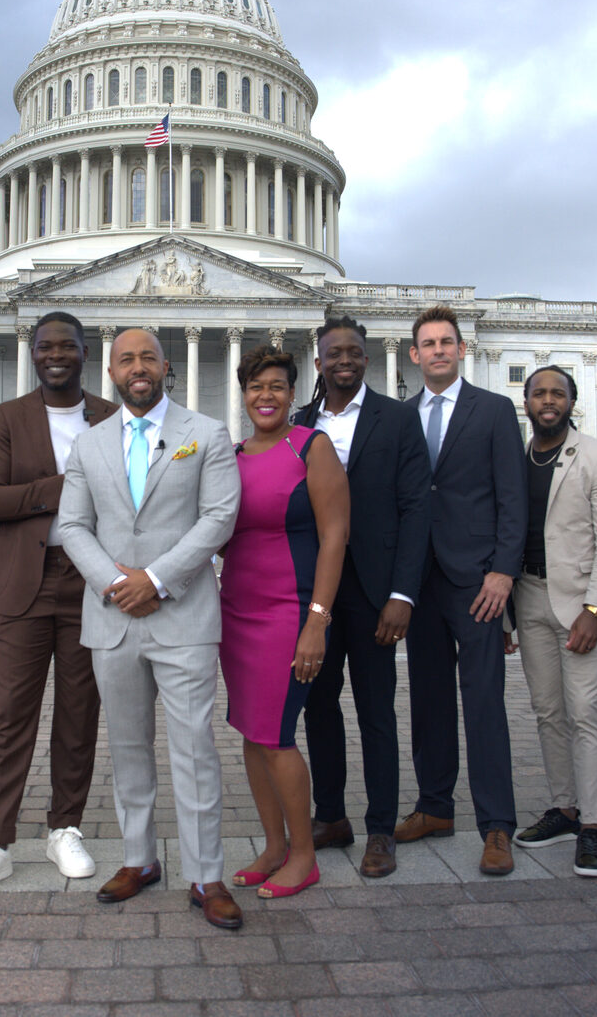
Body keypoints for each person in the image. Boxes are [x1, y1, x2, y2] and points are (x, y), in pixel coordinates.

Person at [57, 328, 244, 930]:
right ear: (109, 372)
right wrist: (116, 584)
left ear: (167, 366)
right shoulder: (89, 445)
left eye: (147, 357)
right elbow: (73, 526)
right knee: (128, 747)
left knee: (194, 751)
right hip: (113, 617)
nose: (137, 368)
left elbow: (219, 517)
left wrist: (157, 580)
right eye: (125, 359)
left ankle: (205, 873)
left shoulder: (206, 434)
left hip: (183, 615)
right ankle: (139, 860)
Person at [0, 312, 117, 897]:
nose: (54, 355)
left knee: (78, 717)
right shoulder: (6, 419)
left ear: (84, 352)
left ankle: (64, 826)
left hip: (92, 585)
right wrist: (70, 483)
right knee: (10, 717)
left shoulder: (110, 415)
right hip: (24, 583)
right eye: (44, 346)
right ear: (32, 354)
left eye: (66, 346)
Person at [293, 316, 430, 879]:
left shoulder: (397, 418)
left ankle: (380, 829)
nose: (343, 360)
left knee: (376, 713)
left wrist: (402, 593)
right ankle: (330, 816)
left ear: (367, 359)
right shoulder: (300, 422)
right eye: (333, 353)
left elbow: (417, 507)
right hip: (315, 595)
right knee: (319, 710)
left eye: (353, 352)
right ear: (318, 359)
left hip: (376, 593)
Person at [396, 305, 527, 876]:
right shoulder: (402, 418)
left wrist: (503, 572)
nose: (439, 351)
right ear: (414, 355)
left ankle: (496, 825)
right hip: (417, 582)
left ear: (462, 349)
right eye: (429, 343)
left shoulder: (495, 410)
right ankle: (435, 806)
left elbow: (513, 497)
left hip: (477, 581)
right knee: (427, 702)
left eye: (447, 342)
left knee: (483, 704)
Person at [222, 346, 349, 900]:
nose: (265, 396)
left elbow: (335, 536)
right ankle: (273, 846)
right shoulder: (232, 454)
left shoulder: (311, 447)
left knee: (276, 736)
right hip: (237, 609)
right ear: (243, 395)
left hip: (288, 608)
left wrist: (317, 621)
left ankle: (303, 855)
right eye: (255, 387)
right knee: (252, 734)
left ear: (293, 393)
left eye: (276, 386)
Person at [502, 366, 597, 877]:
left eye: (557, 393)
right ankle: (565, 809)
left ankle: (594, 827)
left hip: (579, 603)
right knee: (547, 712)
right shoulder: (516, 459)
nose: (547, 401)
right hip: (528, 595)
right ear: (526, 402)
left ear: (571, 402)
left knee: (584, 714)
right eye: (539, 393)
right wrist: (506, 613)